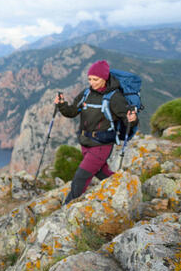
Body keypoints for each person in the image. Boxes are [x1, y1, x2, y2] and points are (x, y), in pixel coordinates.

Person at [55, 59, 138, 204]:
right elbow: (72, 111)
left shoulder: (115, 97)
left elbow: (128, 119)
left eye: (95, 79)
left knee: (80, 177)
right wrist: (62, 105)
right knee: (101, 172)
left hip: (102, 144)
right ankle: (123, 186)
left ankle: (67, 208)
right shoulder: (86, 93)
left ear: (104, 78)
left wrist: (132, 119)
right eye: (89, 79)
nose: (92, 82)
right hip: (85, 143)